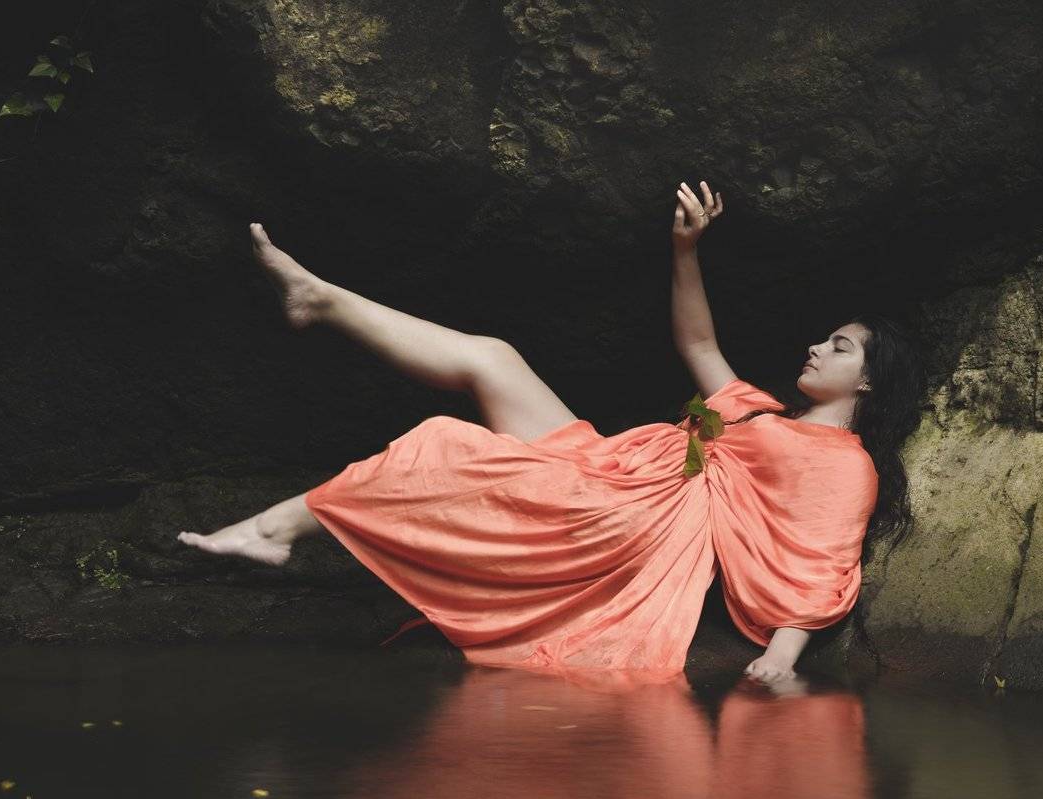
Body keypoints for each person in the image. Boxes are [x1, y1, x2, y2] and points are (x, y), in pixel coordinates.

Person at [177, 181, 925, 693]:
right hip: (615, 467)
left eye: (840, 347)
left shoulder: (841, 464)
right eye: (826, 338)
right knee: (493, 357)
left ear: (867, 383)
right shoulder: (760, 413)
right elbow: (699, 344)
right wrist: (686, 250)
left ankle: (277, 527)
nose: (817, 348)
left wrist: (783, 657)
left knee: (447, 440)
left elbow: (817, 568)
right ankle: (321, 299)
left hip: (625, 519)